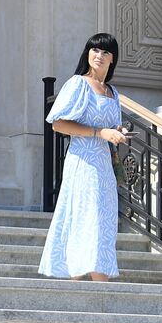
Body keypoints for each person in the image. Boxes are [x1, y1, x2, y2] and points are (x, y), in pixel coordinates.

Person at [38, 33, 127, 281]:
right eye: (95, 50)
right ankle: (80, 287)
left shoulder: (112, 92)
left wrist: (117, 133)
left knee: (103, 224)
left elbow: (111, 127)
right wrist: (100, 132)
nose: (99, 56)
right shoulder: (78, 84)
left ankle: (101, 290)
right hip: (83, 162)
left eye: (105, 52)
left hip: (104, 167)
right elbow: (58, 124)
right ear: (88, 54)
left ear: (113, 59)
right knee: (84, 221)